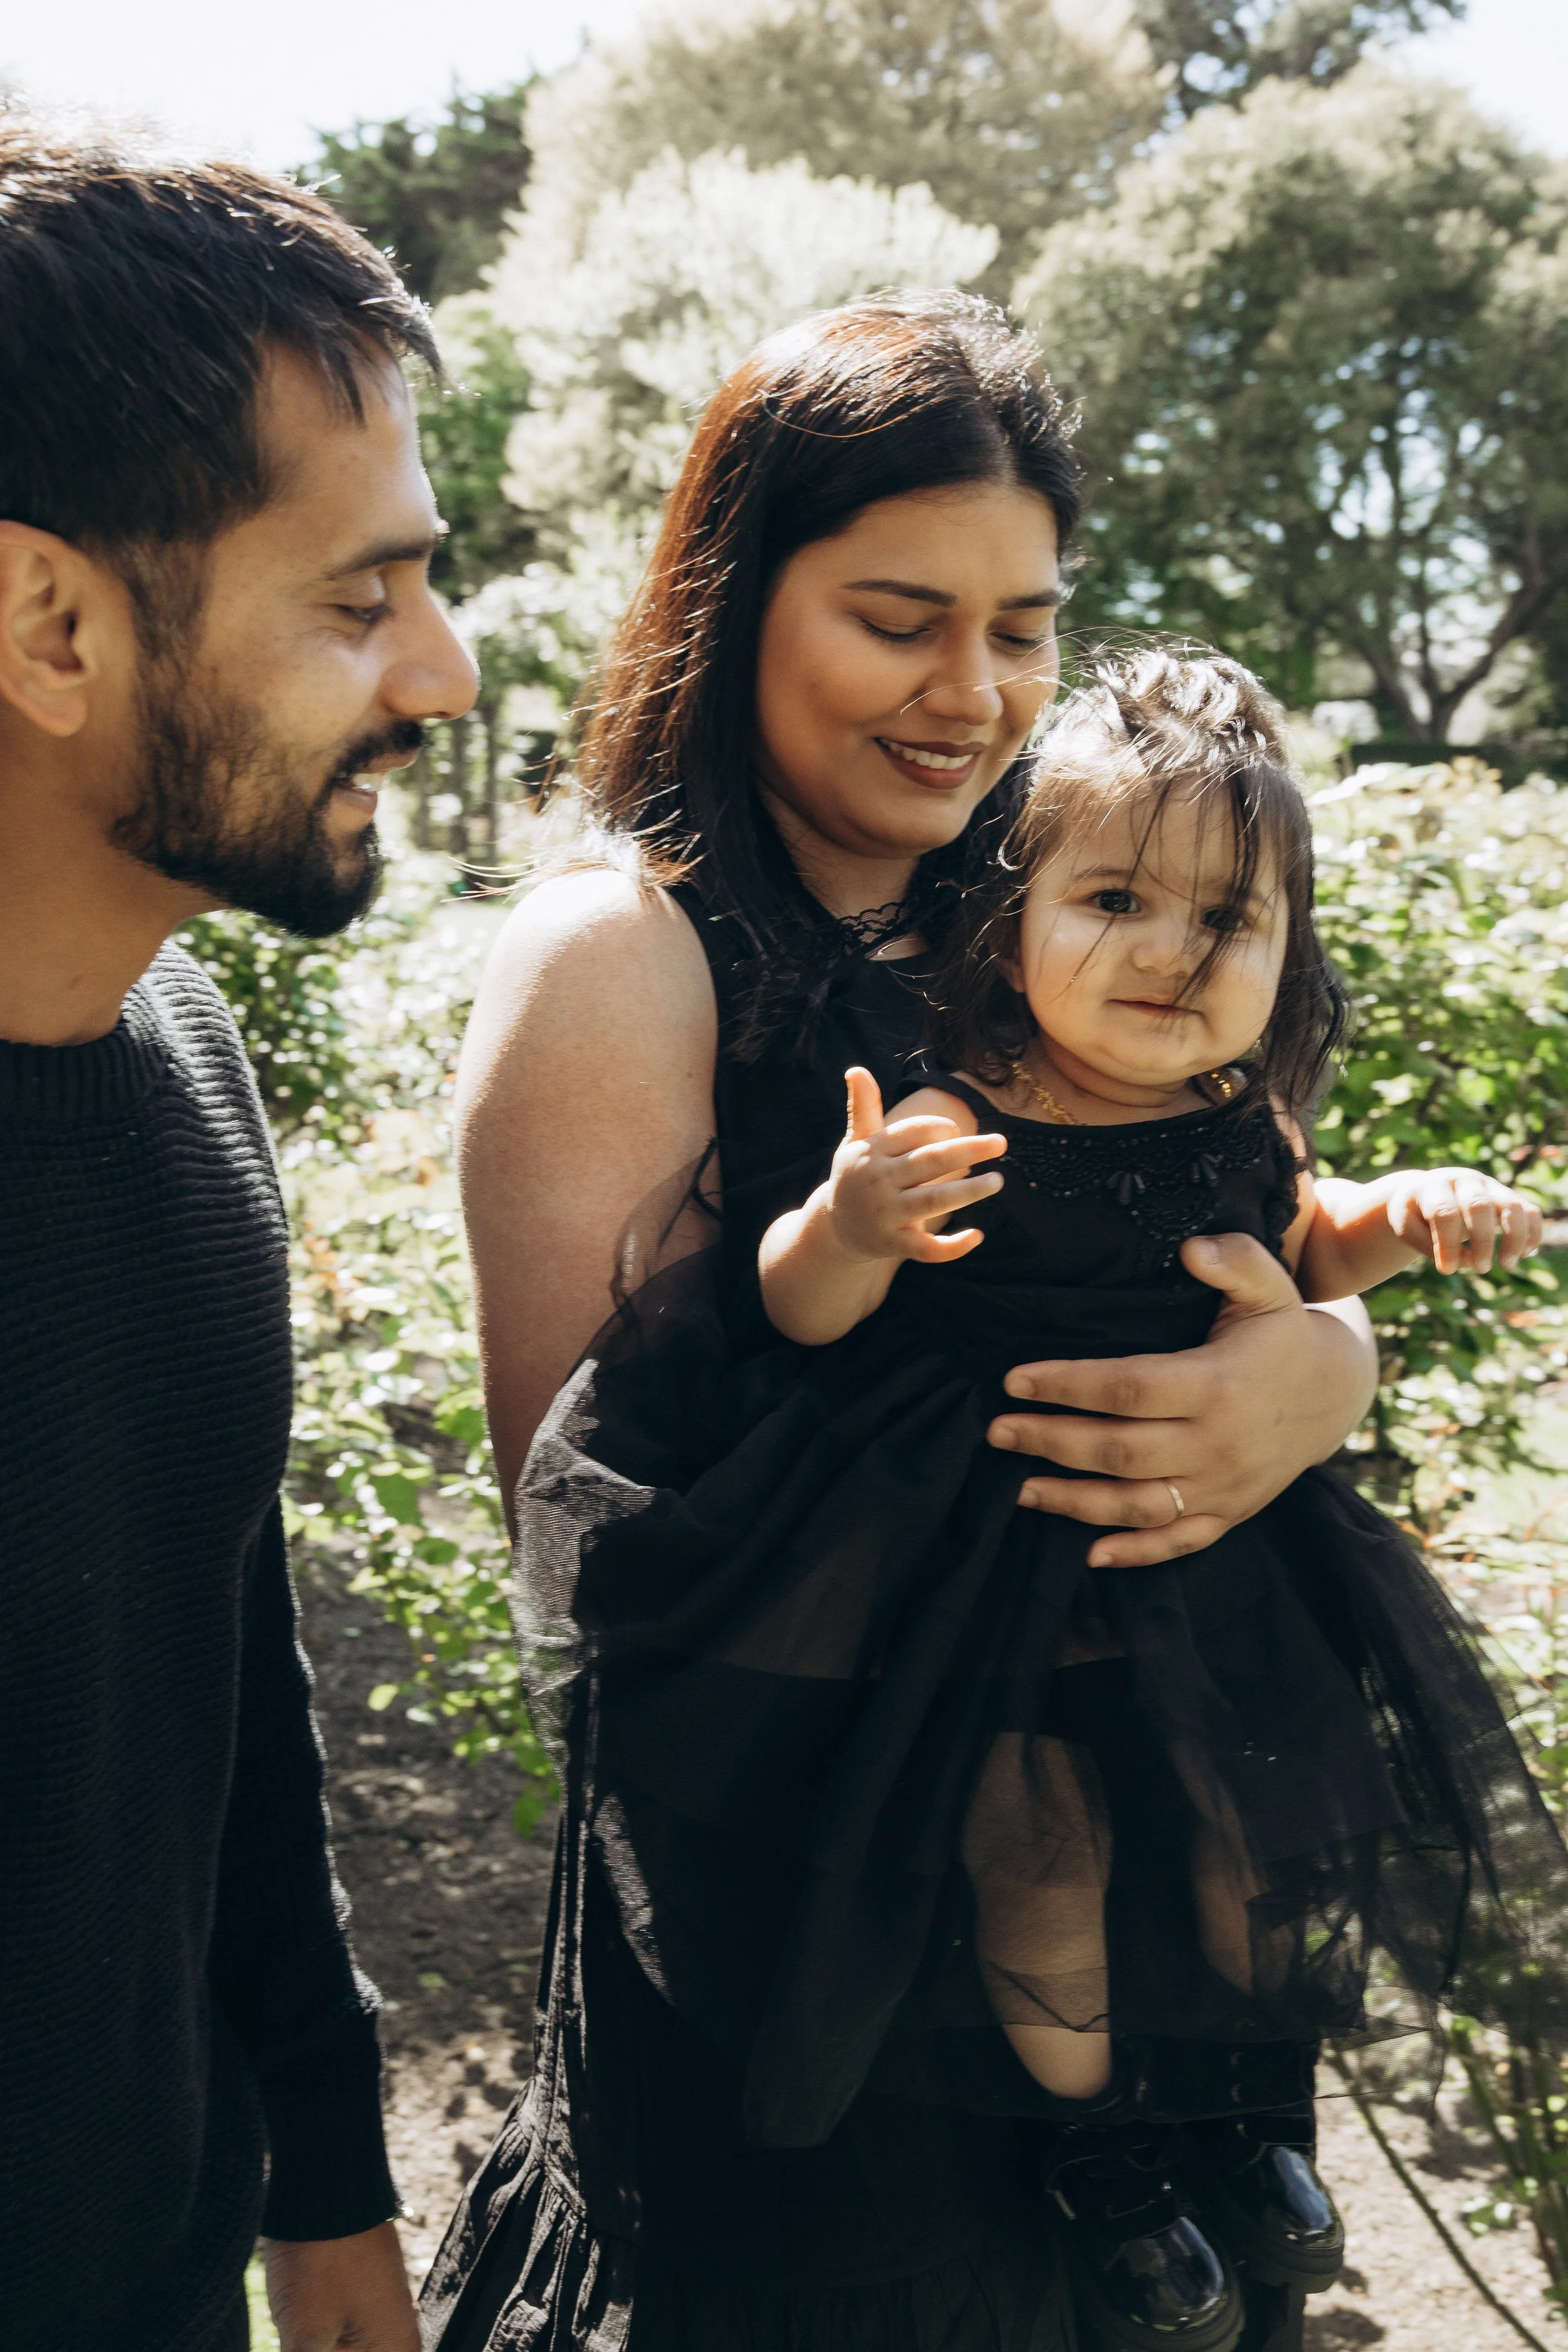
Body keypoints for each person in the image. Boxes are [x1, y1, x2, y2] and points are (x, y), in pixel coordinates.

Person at [429, 297, 1384, 2352]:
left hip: (1147, 1960)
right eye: (896, 616)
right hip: (824, 1972)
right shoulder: (630, 950)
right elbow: (603, 1546)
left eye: (1023, 626)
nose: (973, 692)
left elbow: (1252, 1227)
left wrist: (1319, 1374)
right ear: (736, 591)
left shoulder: (1058, 895)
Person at [750, 648, 1562, 2344]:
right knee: (1035, 1861)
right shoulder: (951, 1120)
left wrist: (1391, 1221)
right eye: (1111, 894)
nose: (1170, 952)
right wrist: (846, 1226)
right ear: (1008, 916)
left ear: (1286, 956)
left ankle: (1233, 2116)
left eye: (1227, 921)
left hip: (1215, 1578)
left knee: (1237, 1845)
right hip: (998, 1593)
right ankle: (1098, 2153)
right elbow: (796, 1311)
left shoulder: (1230, 1118)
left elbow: (1292, 1237)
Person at [0, 114, 476, 2352]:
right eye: (358, 593)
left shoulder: (175, 1037)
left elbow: (219, 1679)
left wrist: (326, 2186)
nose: (444, 672)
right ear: (50, 620)